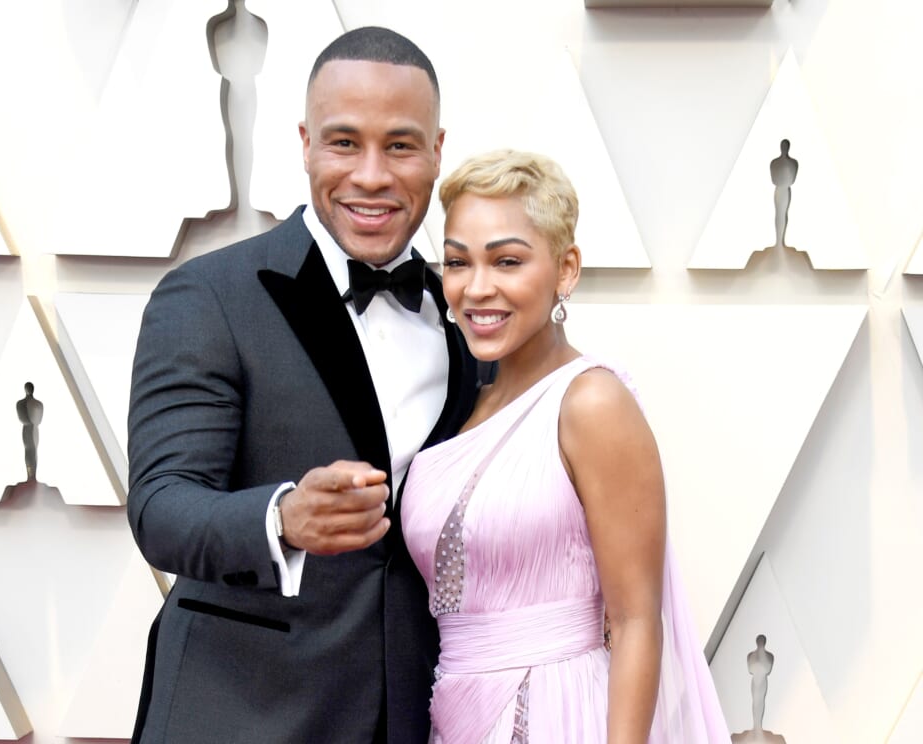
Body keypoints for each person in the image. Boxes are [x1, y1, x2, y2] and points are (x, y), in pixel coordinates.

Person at [126, 27, 480, 744]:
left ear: (438, 150)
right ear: (306, 143)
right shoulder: (208, 296)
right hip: (243, 716)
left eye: (401, 145)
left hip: (416, 715)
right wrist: (282, 518)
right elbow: (161, 508)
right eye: (345, 143)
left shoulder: (468, 315)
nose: (372, 176)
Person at [401, 150, 730, 743]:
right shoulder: (463, 408)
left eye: (507, 261)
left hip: (560, 713)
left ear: (566, 269)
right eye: (457, 262)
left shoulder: (592, 403)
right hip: (455, 715)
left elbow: (635, 622)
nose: (477, 288)